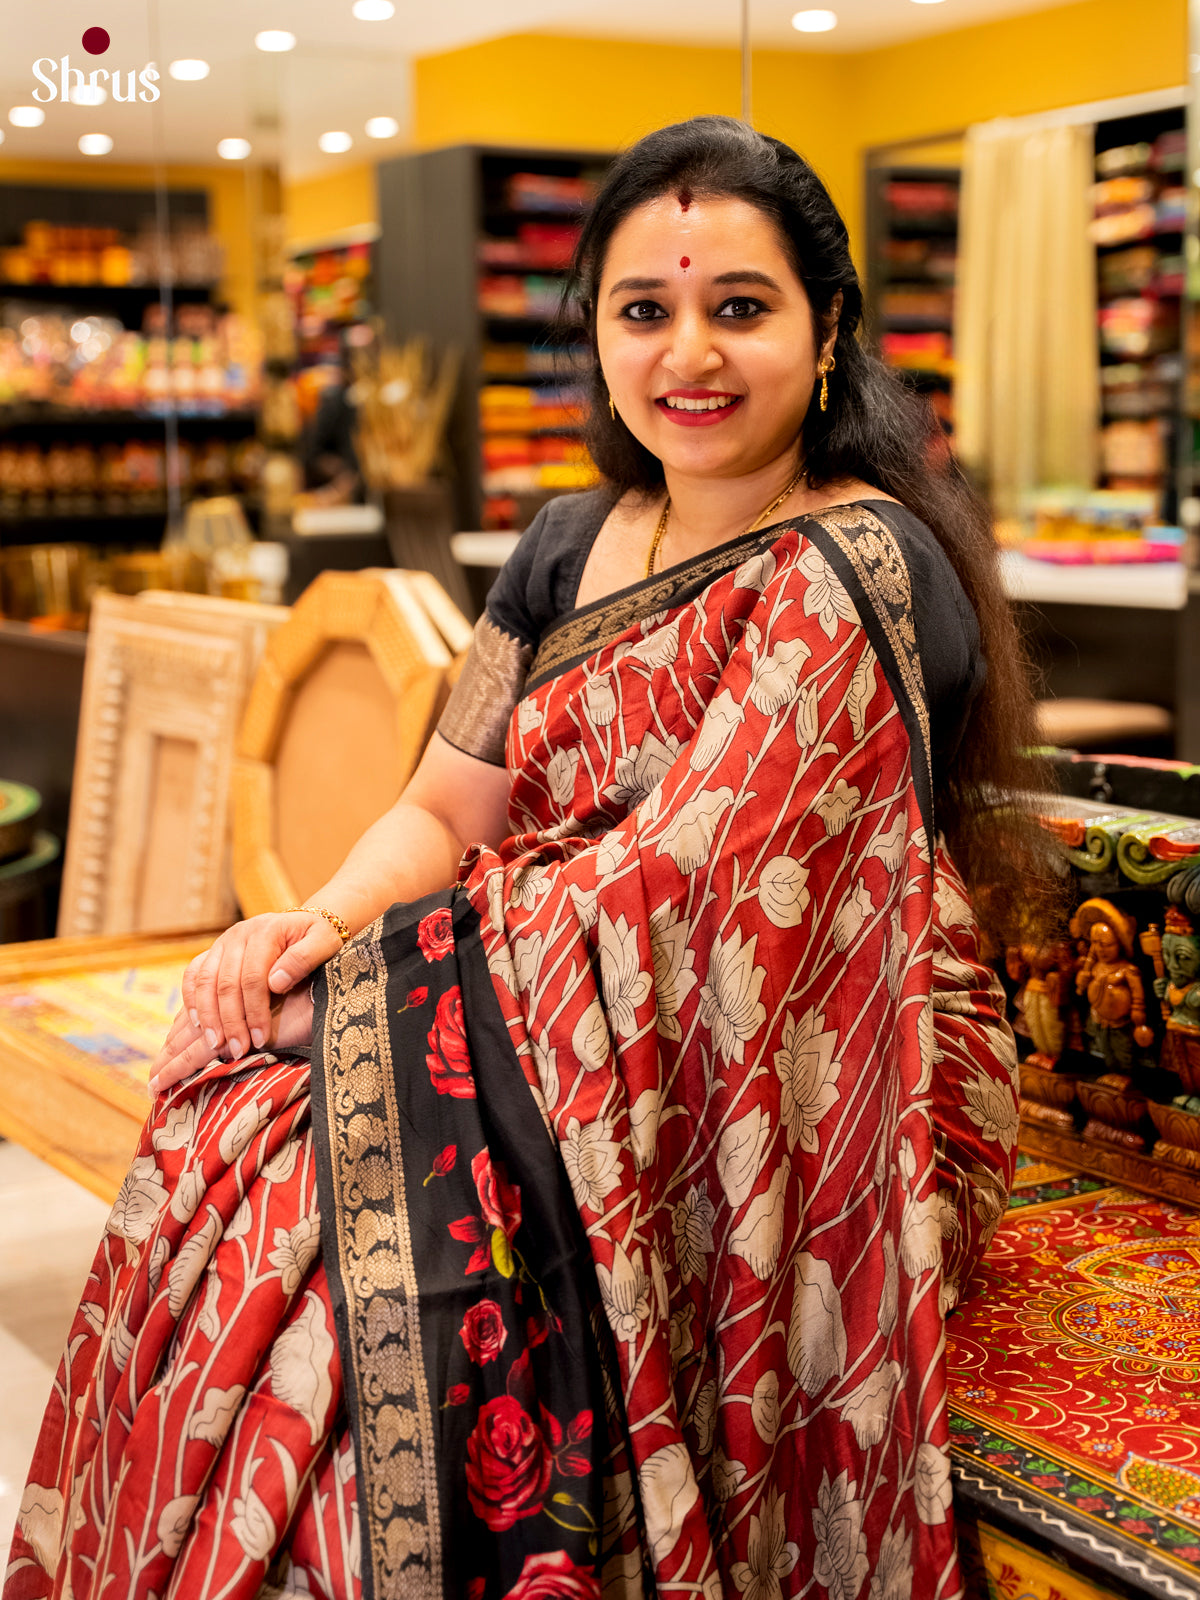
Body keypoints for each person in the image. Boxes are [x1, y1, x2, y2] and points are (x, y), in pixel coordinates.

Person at [7, 117, 1055, 1600]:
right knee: (226, 1128)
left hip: (810, 1067)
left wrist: (374, 996)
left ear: (827, 331)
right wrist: (314, 928)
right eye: (644, 311)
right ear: (598, 338)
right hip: (538, 1001)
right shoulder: (566, 542)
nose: (690, 352)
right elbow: (445, 811)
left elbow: (690, 887)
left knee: (356, 1278)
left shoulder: (859, 563)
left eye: (739, 307)